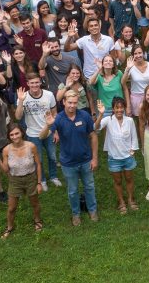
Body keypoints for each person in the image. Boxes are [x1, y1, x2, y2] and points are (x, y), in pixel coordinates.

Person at [45, 90, 99, 225]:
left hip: (86, 160)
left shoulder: (84, 116)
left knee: (89, 186)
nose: (72, 106)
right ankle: (76, 214)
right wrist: (48, 125)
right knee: (73, 191)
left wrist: (95, 158)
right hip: (68, 163)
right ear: (63, 102)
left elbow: (93, 136)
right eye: (69, 102)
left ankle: (92, 210)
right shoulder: (58, 118)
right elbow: (41, 137)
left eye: (75, 103)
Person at [15, 78, 61, 191]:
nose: (34, 85)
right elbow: (18, 116)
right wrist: (21, 101)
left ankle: (53, 176)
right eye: (32, 83)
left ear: (40, 83)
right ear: (28, 84)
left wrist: (55, 131)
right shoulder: (23, 96)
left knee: (52, 156)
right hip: (33, 134)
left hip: (49, 131)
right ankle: (43, 180)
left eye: (37, 82)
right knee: (38, 159)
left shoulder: (49, 95)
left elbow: (55, 113)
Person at [0, 124, 44, 238]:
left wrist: (39, 183)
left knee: (34, 203)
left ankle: (37, 220)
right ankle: (9, 227)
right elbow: (6, 169)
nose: (14, 137)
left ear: (22, 133)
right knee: (11, 208)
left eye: (16, 133)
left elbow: (38, 164)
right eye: (11, 135)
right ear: (9, 136)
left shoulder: (31, 146)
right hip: (15, 180)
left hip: (31, 178)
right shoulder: (6, 150)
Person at [96, 97, 139, 213]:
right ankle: (121, 202)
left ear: (124, 108)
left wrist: (133, 150)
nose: (119, 110)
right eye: (117, 107)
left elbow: (134, 137)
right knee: (118, 181)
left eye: (121, 107)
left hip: (128, 157)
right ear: (113, 109)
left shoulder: (129, 121)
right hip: (114, 158)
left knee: (129, 179)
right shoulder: (108, 120)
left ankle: (130, 199)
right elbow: (95, 128)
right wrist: (100, 114)